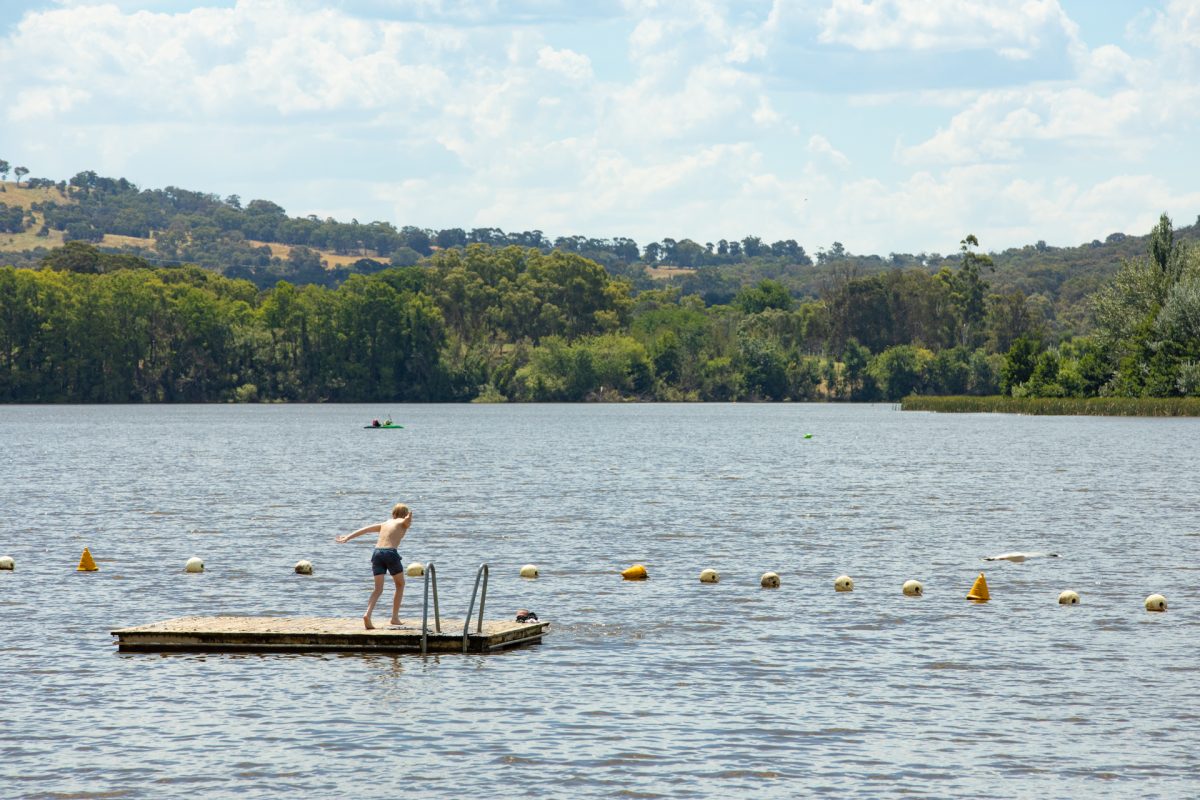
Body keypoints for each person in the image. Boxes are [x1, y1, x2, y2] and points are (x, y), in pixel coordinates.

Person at [335, 503, 413, 629]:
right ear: (403, 514)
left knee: (378, 589)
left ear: (393, 514)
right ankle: (394, 618)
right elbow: (406, 521)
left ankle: (367, 614)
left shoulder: (385, 523)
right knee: (400, 584)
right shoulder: (402, 522)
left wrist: (348, 537)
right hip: (390, 553)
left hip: (377, 553)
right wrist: (409, 517)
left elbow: (365, 529)